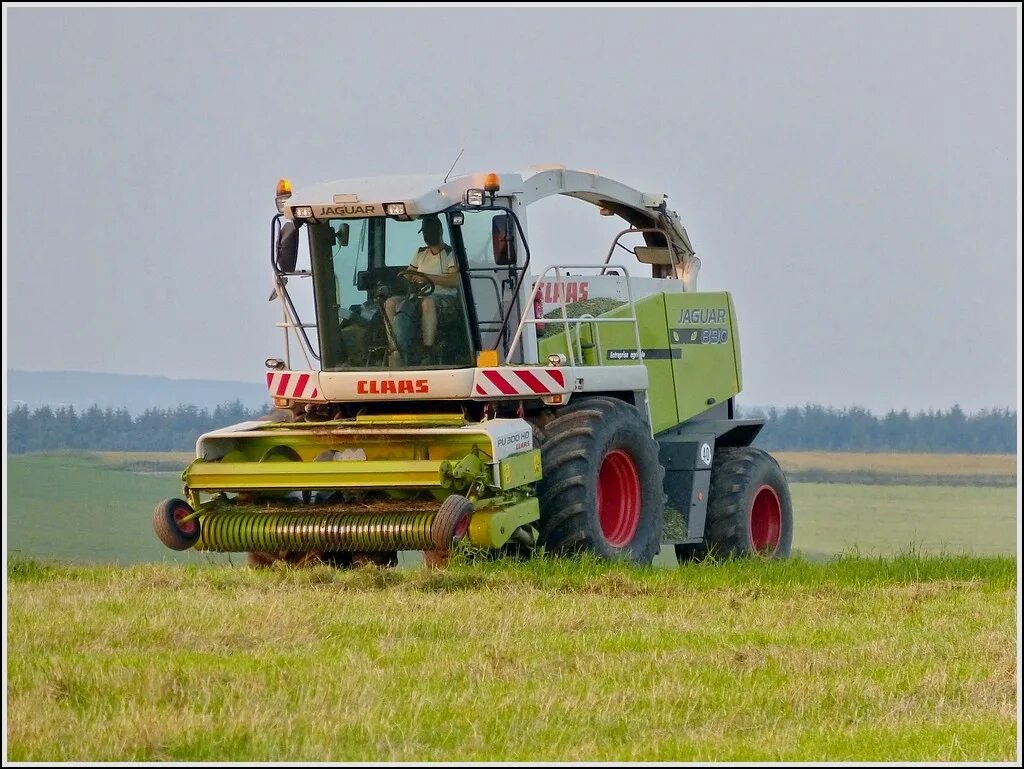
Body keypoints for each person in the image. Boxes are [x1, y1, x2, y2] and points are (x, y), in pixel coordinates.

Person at [384, 215, 461, 364]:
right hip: (418, 296)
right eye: (425, 232)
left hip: (445, 300)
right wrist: (412, 278)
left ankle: (428, 351)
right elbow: (409, 273)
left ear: (440, 230)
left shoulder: (450, 253)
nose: (427, 235)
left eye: (430, 231)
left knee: (428, 303)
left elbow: (455, 280)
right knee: (390, 303)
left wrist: (428, 278)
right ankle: (395, 349)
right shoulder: (420, 253)